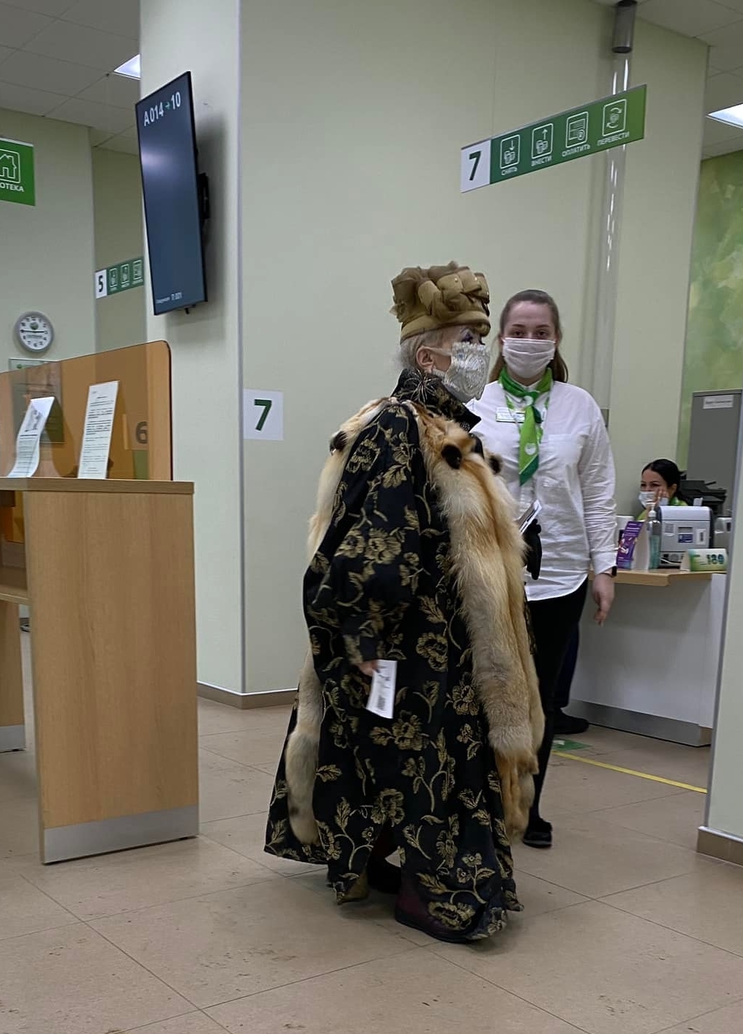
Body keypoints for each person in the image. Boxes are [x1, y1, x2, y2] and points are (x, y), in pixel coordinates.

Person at [264, 262, 543, 943]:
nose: (481, 353)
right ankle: (429, 890)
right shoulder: (399, 425)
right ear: (428, 357)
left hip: (441, 641)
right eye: (469, 341)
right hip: (413, 645)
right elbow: (374, 536)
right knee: (423, 764)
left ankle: (378, 861)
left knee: (409, 757)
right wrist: (363, 632)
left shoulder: (442, 428)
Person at [471, 289, 617, 849]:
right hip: (493, 572)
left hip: (561, 574)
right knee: (488, 692)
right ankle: (483, 804)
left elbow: (598, 490)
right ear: (501, 339)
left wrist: (604, 568)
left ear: (556, 340)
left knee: (543, 699)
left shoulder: (579, 406)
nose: (529, 341)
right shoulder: (477, 403)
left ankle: (529, 807)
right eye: (519, 331)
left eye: (541, 332)